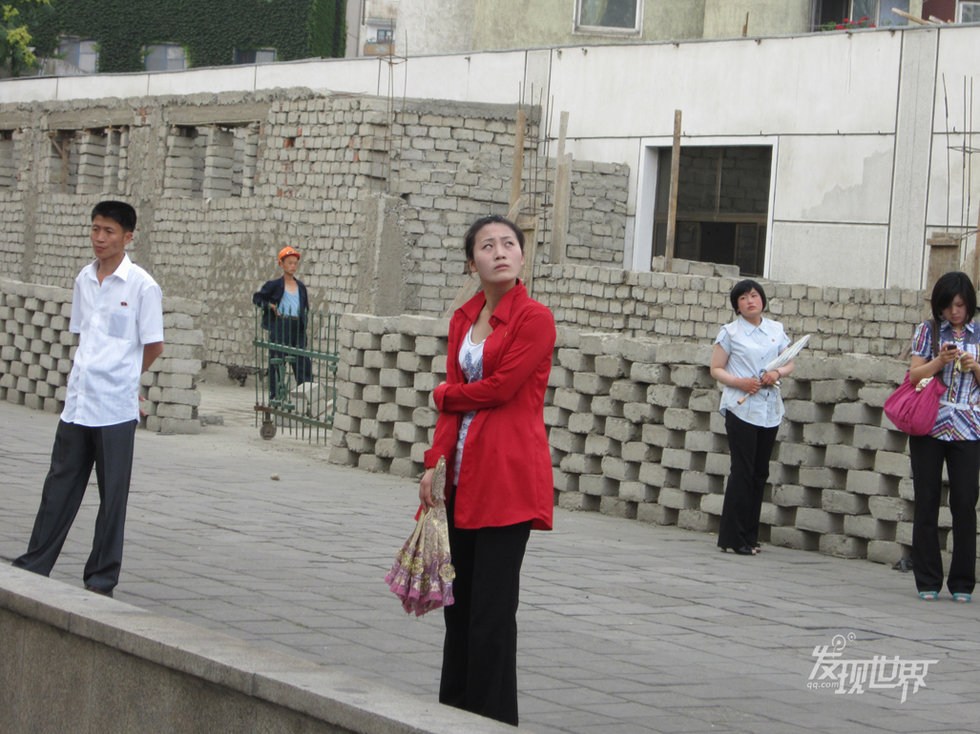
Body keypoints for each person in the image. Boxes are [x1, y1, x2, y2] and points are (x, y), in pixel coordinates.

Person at [418, 214, 556, 726]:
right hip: (461, 478)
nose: (500, 252)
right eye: (486, 245)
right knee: (459, 609)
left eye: (509, 244)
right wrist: (434, 463)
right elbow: (452, 409)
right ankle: (453, 714)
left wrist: (445, 393)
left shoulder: (535, 319)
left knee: (492, 616)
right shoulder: (463, 320)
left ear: (521, 256)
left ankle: (492, 720)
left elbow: (500, 388)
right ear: (470, 261)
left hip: (507, 477)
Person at [12, 201, 164, 597]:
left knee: (111, 496)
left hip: (115, 408)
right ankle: (35, 563)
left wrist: (126, 376)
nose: (99, 238)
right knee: (58, 486)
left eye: (109, 231)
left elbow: (154, 345)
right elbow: (83, 335)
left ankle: (100, 578)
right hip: (78, 402)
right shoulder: (84, 278)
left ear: (128, 237)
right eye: (95, 229)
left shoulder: (142, 286)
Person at [906, 271, 979, 603]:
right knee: (927, 498)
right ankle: (928, 579)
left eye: (961, 305)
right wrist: (940, 361)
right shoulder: (929, 330)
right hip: (930, 423)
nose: (955, 312)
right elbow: (913, 375)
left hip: (969, 425)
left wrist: (974, 365)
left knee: (964, 502)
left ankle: (963, 581)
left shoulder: (979, 333)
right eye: (949, 306)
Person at [709, 279, 794, 556]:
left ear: (762, 299)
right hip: (741, 408)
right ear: (737, 305)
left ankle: (751, 536)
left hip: (769, 409)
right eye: (743, 298)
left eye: (754, 295)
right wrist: (740, 382)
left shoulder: (775, 329)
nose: (750, 301)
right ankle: (733, 537)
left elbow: (789, 360)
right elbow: (716, 369)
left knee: (759, 473)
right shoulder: (730, 333)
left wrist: (776, 374)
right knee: (742, 472)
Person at [252, 245, 311, 400]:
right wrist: (270, 306)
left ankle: (307, 397)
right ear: (281, 264)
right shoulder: (274, 285)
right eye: (289, 263)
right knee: (277, 362)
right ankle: (276, 396)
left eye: (295, 263)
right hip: (280, 326)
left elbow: (305, 308)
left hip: (296, 327)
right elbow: (257, 298)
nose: (292, 266)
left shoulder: (301, 287)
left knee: (302, 362)